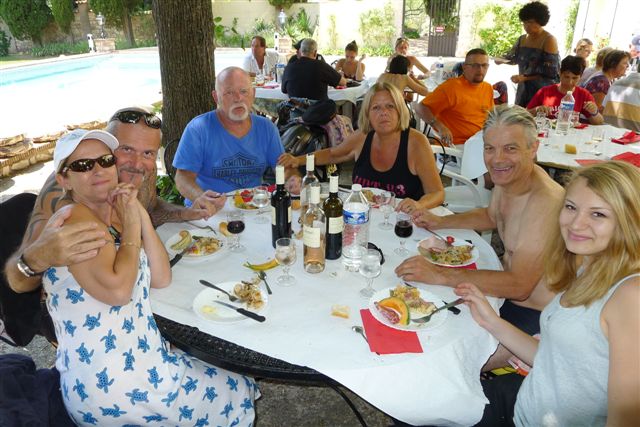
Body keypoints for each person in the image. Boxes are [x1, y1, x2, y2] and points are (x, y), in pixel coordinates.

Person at [42, 130, 258, 425]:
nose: (98, 170)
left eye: (105, 160)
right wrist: (132, 226)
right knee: (237, 386)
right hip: (121, 386)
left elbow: (161, 277)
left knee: (225, 374)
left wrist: (136, 211)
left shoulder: (102, 215)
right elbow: (118, 292)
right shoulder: (75, 220)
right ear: (64, 179)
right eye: (82, 165)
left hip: (132, 368)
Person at [462, 161, 640, 426]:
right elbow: (553, 357)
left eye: (598, 214)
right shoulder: (589, 265)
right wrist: (491, 320)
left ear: (629, 221)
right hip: (523, 404)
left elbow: (626, 419)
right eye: (571, 207)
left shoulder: (630, 297)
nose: (576, 224)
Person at [395, 105, 564, 368]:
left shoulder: (544, 203)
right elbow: (492, 215)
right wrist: (441, 222)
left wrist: (439, 274)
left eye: (510, 148)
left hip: (537, 317)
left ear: (533, 148)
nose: (497, 159)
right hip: (505, 296)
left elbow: (519, 286)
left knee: (450, 360)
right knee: (418, 313)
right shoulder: (511, 179)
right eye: (490, 148)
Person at [5, 107, 211, 300]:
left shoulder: (140, 171)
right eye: (126, 149)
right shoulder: (66, 190)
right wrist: (38, 259)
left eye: (148, 153)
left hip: (137, 287)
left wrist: (186, 214)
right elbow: (17, 281)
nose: (137, 163)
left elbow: (150, 207)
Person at [278, 82, 444, 212]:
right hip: (362, 218)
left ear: (400, 111)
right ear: (367, 114)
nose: (383, 113)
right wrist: (297, 160)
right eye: (376, 108)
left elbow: (437, 193)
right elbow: (333, 154)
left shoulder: (416, 142)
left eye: (390, 106)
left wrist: (419, 204)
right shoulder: (363, 137)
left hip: (403, 221)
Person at [173, 67, 285, 206]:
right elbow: (183, 178)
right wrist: (201, 198)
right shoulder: (198, 128)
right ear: (216, 97)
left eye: (244, 91)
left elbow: (283, 167)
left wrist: (292, 179)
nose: (238, 98)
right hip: (208, 211)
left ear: (253, 94)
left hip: (253, 208)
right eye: (229, 93)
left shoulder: (267, 128)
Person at [415, 48, 494, 146]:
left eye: (484, 65)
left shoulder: (488, 88)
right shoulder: (451, 88)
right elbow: (420, 107)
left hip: (481, 143)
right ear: (464, 67)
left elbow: (490, 117)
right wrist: (439, 126)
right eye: (475, 65)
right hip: (456, 146)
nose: (480, 70)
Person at [497, 1, 560, 107]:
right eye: (524, 22)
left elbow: (550, 72)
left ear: (540, 21)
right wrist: (501, 60)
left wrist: (525, 77)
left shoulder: (549, 40)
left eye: (530, 22)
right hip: (523, 88)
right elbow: (513, 58)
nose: (526, 26)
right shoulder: (522, 39)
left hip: (543, 90)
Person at [526, 55, 604, 125]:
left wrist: (594, 112)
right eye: (566, 77)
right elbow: (524, 114)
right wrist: (536, 110)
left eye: (575, 78)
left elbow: (599, 122)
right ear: (560, 73)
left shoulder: (583, 95)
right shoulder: (545, 92)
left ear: (580, 77)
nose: (570, 82)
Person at [281, 38, 346, 101]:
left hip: (296, 107)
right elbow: (342, 82)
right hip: (319, 107)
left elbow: (284, 90)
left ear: (301, 51)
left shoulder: (289, 67)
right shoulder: (321, 65)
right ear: (315, 53)